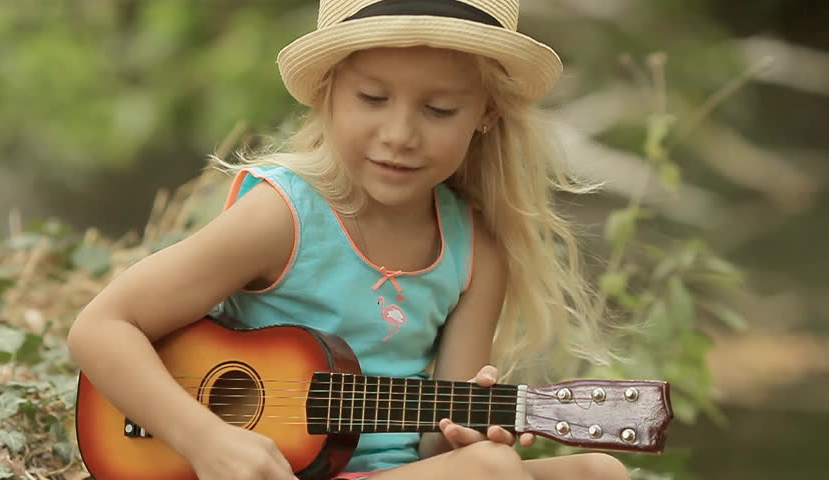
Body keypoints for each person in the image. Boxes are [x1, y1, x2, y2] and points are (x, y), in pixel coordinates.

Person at [68, 1, 628, 479]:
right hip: (268, 470)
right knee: (491, 471)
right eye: (373, 98)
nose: (399, 135)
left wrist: (465, 432)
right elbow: (101, 327)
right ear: (329, 92)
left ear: (486, 113)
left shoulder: (474, 248)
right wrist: (205, 440)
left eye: (438, 110)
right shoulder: (284, 215)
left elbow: (435, 445)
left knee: (598, 470)